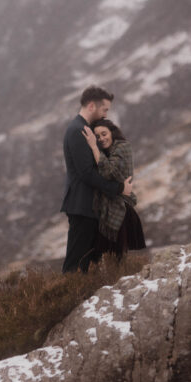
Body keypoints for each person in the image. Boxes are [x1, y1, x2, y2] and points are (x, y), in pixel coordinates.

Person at [61, 86, 133, 272]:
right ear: (92, 106)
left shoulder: (85, 129)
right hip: (82, 206)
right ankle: (69, 298)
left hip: (90, 207)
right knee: (75, 264)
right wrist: (118, 188)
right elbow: (87, 173)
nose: (105, 114)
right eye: (104, 110)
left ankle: (84, 298)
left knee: (88, 265)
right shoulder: (78, 131)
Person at [85, 118, 146, 256]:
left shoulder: (123, 147)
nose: (101, 138)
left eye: (104, 134)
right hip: (109, 208)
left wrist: (94, 147)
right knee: (108, 257)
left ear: (112, 133)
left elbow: (109, 171)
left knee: (117, 256)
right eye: (97, 136)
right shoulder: (107, 152)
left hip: (121, 209)